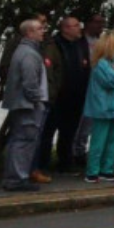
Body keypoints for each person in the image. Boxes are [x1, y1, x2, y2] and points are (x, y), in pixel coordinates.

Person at [36, 16, 92, 180]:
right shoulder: (54, 44)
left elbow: (85, 65)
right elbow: (51, 69)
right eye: (75, 26)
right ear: (65, 28)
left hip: (76, 96)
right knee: (48, 131)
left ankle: (65, 162)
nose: (79, 28)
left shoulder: (81, 44)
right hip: (58, 97)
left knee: (69, 132)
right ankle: (43, 164)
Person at [2, 19, 49, 192]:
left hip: (22, 103)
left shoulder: (24, 50)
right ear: (29, 32)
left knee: (18, 140)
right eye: (39, 29)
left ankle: (13, 177)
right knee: (24, 141)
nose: (43, 31)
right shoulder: (29, 54)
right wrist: (38, 100)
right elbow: (30, 82)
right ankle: (17, 178)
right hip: (28, 105)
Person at [81, 31, 114, 183]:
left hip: (113, 106)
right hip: (102, 107)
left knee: (111, 140)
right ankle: (92, 171)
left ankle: (107, 169)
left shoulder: (113, 62)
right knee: (99, 140)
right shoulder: (100, 63)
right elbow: (111, 81)